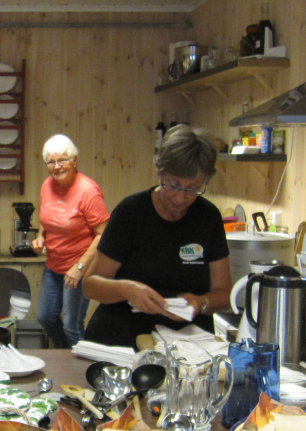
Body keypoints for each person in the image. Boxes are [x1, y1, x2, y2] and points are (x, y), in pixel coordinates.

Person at [82, 124, 231, 348]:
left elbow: (224, 293)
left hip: (187, 346)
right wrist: (127, 290)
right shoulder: (131, 212)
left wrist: (201, 302)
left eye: (192, 189)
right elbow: (90, 285)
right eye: (173, 185)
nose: (180, 198)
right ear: (159, 170)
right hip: (122, 339)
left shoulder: (208, 217)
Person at [31, 134, 109, 349]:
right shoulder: (48, 185)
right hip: (53, 265)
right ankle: (67, 356)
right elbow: (47, 214)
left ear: (74, 160)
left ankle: (82, 371)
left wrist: (80, 267)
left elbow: (103, 234)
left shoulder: (88, 191)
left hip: (79, 268)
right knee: (45, 317)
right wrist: (41, 236)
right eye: (51, 162)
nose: (57, 167)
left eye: (62, 160)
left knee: (71, 326)